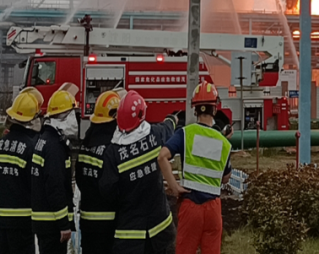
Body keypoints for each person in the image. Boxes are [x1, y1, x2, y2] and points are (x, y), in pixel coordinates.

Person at [99, 91, 179, 254]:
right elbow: (169, 127)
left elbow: (107, 193)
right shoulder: (156, 135)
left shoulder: (113, 153)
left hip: (130, 238)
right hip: (161, 232)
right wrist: (173, 118)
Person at [159, 83, 233, 254]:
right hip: (213, 208)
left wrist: (174, 186)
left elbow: (162, 156)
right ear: (215, 109)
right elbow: (225, 178)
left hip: (190, 204)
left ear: (195, 110)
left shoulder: (186, 133)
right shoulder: (223, 142)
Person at [0, 89, 41, 254]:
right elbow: (35, 185)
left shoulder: (1, 143)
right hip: (22, 223)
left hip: (1, 221)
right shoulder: (31, 147)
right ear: (32, 119)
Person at [31, 85, 79, 254]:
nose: (75, 118)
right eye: (73, 113)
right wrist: (63, 225)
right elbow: (55, 186)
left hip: (43, 222)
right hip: (53, 225)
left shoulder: (44, 139)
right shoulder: (54, 147)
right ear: (63, 116)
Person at [76, 89, 122, 253]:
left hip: (87, 219)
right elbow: (112, 188)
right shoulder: (112, 146)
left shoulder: (86, 142)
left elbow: (79, 179)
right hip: (108, 223)